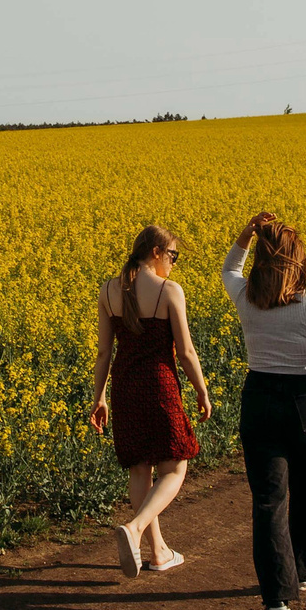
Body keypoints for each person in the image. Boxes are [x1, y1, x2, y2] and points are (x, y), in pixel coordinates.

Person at [223, 211, 306, 610]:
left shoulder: (246, 297)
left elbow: (229, 268)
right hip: (305, 399)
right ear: (299, 261)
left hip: (258, 398)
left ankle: (276, 600)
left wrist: (246, 233)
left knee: (268, 499)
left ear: (261, 262)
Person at [89, 224, 213, 579]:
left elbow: (103, 353)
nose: (173, 264)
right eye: (172, 256)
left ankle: (158, 552)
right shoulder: (169, 291)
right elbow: (186, 352)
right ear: (156, 252)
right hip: (159, 386)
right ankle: (137, 527)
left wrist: (98, 398)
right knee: (175, 466)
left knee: (140, 468)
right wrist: (202, 391)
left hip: (125, 387)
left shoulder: (109, 290)